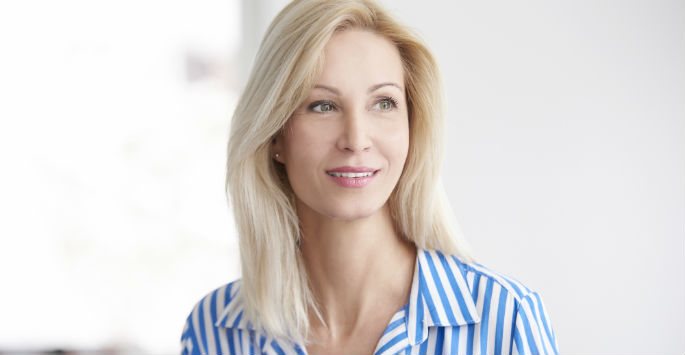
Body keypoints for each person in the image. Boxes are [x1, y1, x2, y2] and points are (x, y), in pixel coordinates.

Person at [180, 0, 559, 354]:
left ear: (412, 126)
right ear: (275, 134)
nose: (356, 139)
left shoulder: (504, 320)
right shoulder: (214, 330)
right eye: (323, 105)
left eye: (383, 103)